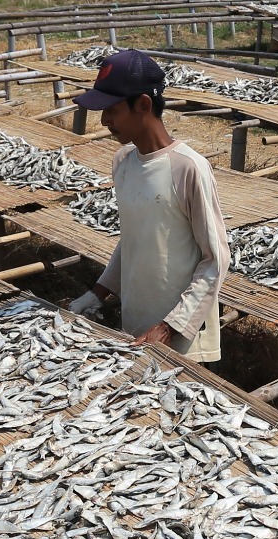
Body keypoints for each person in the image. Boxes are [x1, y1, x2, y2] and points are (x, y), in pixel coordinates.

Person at [67, 50, 228, 363]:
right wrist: (98, 293)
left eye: (111, 110)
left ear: (142, 105)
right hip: (137, 331)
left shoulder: (188, 168)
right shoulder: (123, 163)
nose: (104, 121)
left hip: (184, 340)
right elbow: (134, 240)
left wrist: (168, 327)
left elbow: (216, 259)